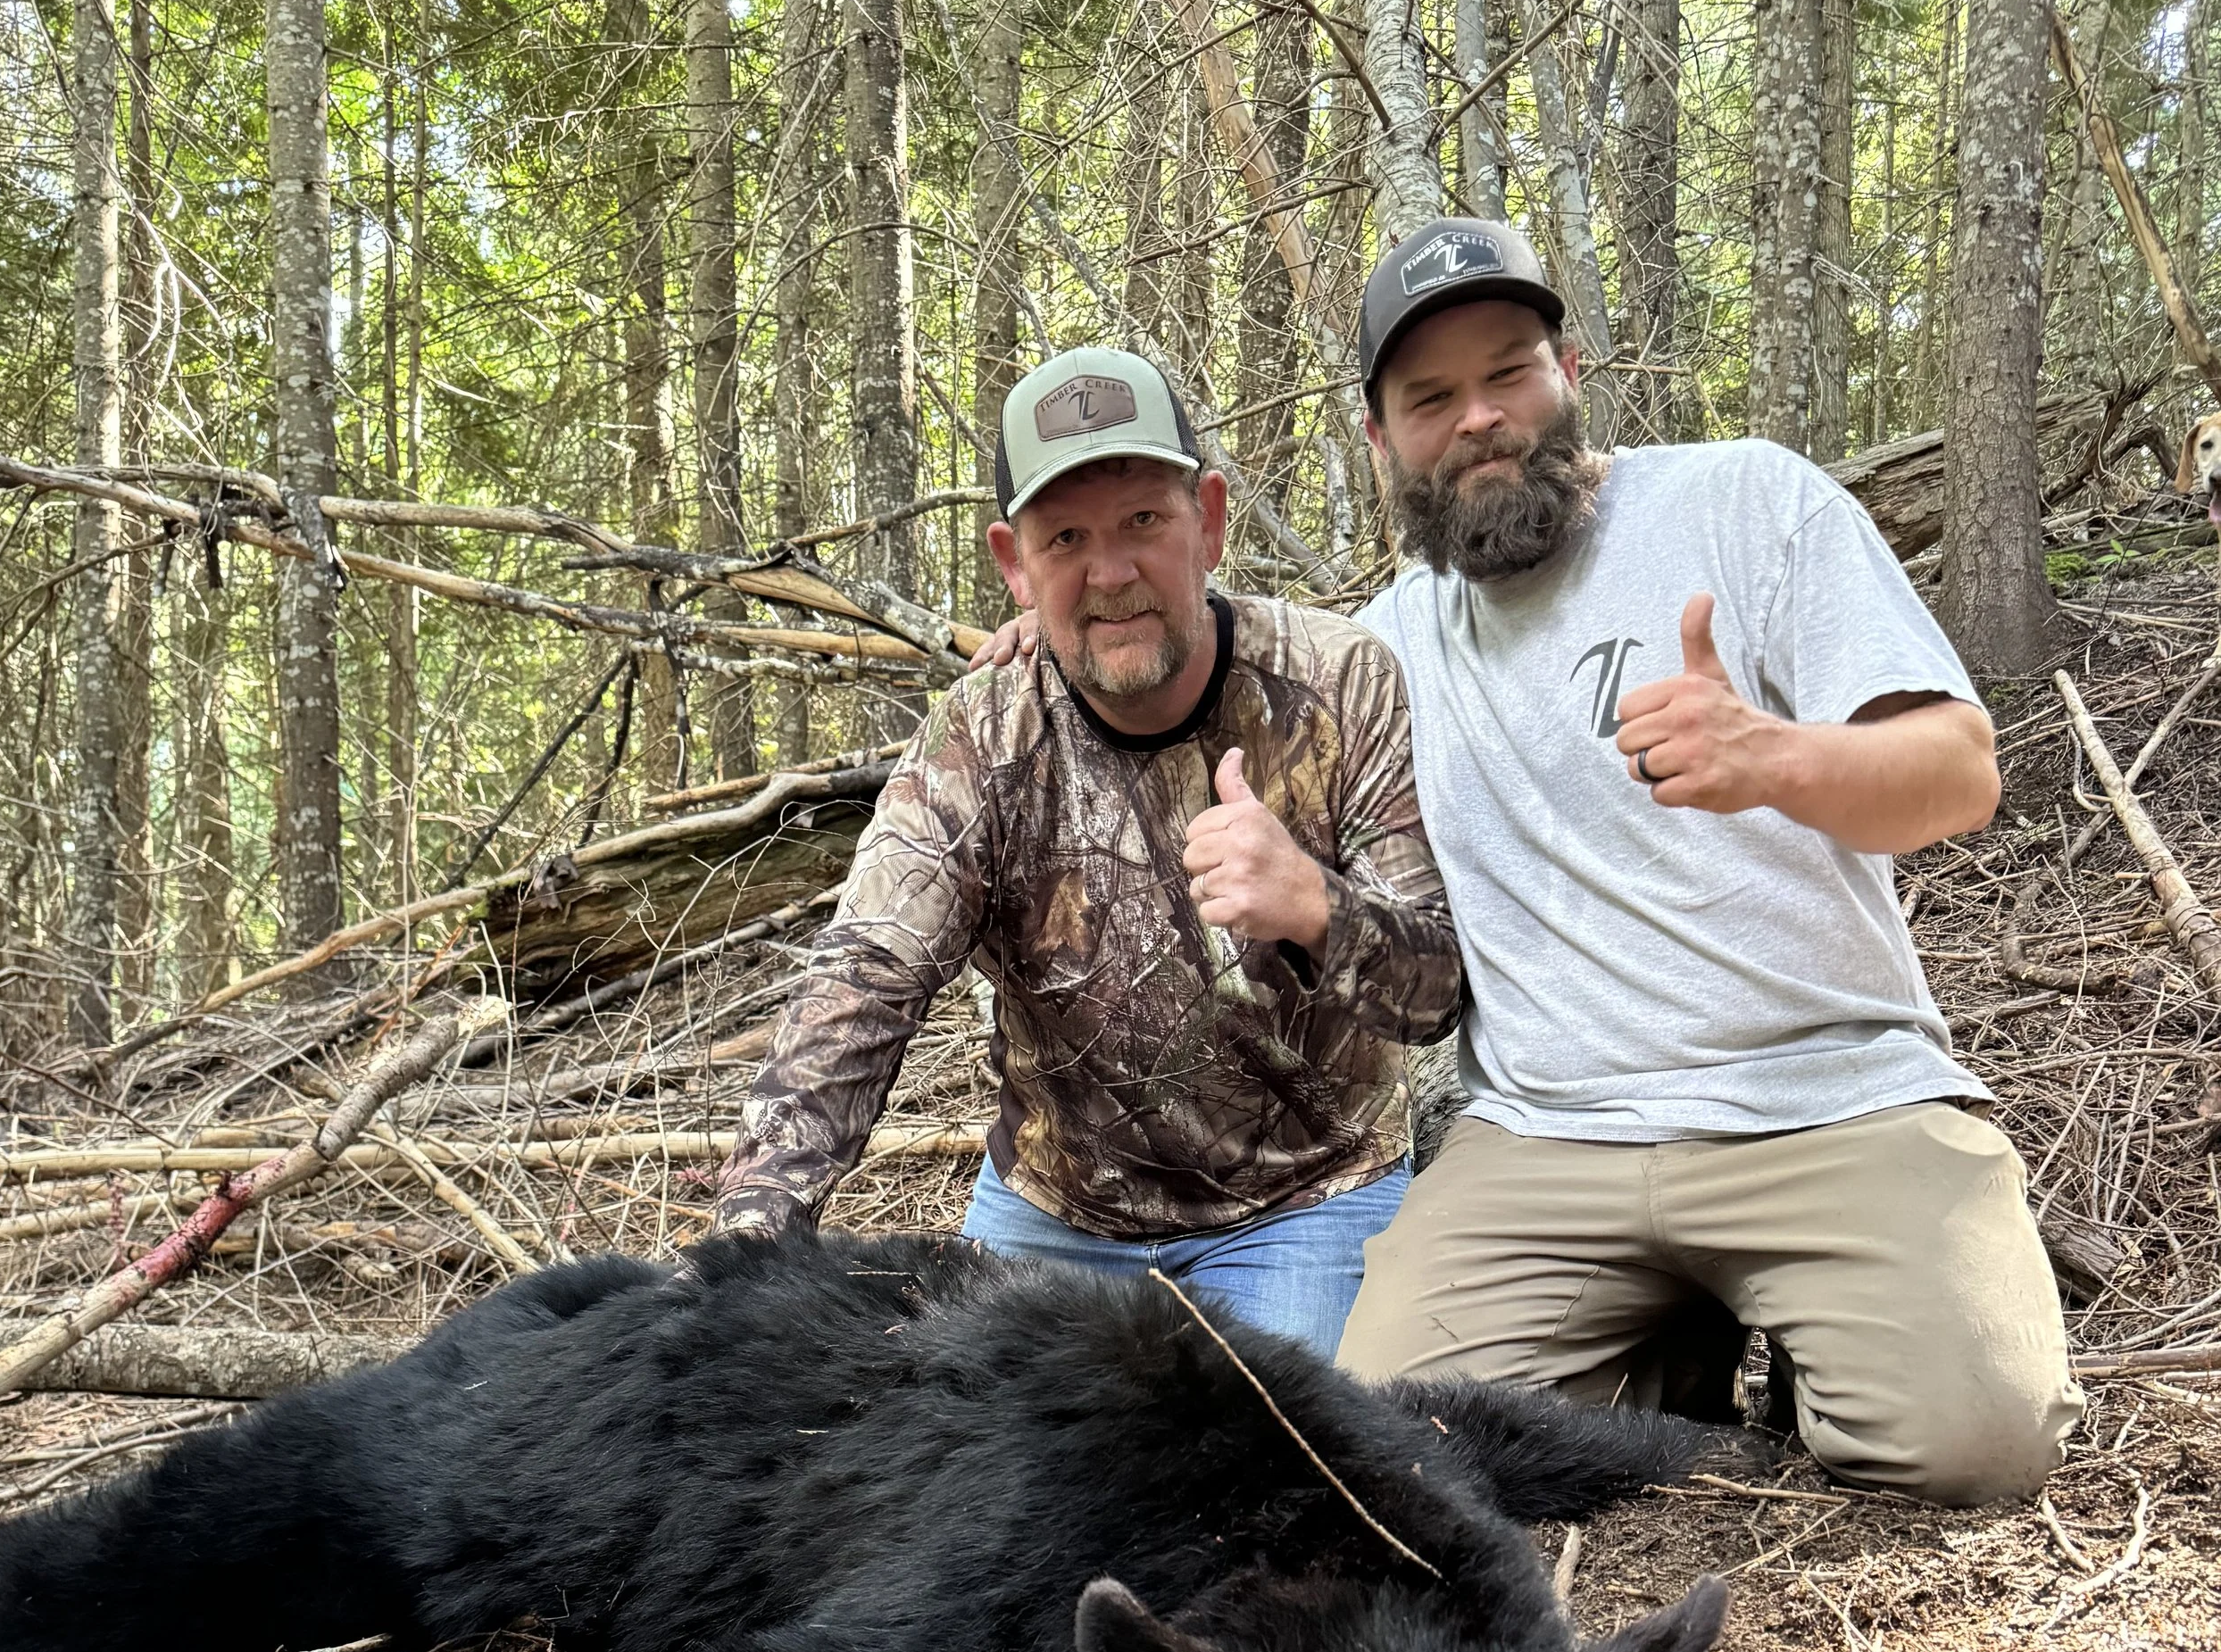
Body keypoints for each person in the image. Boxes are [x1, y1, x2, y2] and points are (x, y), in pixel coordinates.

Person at [1333, 217, 2079, 1503]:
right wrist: (1045, 653)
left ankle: (1801, 1316)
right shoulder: (1383, 648)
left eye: (1508, 372)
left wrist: (1775, 758)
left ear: (1569, 369)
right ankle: (1678, 1337)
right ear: (1380, 438)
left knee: (1979, 1447)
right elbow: (1195, 663)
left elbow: (1961, 773)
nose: (1480, 420)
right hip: (1549, 1137)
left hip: (1827, 1098)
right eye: (1431, 398)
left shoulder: (1746, 503)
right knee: (1400, 1456)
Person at [711, 345, 1460, 1356]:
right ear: (1015, 566)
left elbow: (1434, 993)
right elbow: (864, 978)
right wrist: (750, 1238)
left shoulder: (1340, 683)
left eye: (1143, 521)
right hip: (1056, 1215)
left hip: (1308, 1202)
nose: (1111, 574)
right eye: (1066, 538)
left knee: (1281, 1446)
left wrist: (1316, 908)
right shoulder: (985, 731)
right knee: (966, 1441)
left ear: (1209, 520)